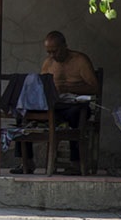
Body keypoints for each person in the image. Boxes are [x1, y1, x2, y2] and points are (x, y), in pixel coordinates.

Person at [11, 31, 98, 175]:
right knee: (22, 112)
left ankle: (75, 164)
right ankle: (26, 162)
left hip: (74, 106)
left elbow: (94, 87)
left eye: (55, 51)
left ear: (64, 46)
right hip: (53, 106)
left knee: (75, 116)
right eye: (49, 52)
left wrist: (69, 88)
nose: (52, 55)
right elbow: (42, 87)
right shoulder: (48, 63)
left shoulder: (80, 60)